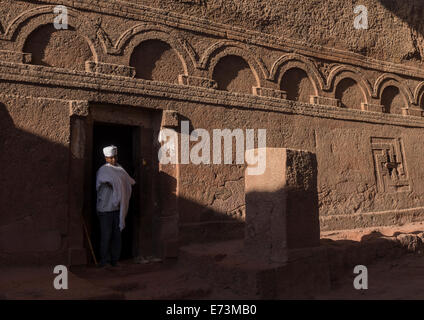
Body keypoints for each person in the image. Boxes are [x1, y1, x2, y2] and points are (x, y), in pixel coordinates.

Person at [96, 145, 135, 268]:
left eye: (115, 157)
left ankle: (115, 260)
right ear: (106, 158)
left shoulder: (120, 169)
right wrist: (117, 183)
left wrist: (120, 184)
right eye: (110, 158)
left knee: (117, 236)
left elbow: (129, 181)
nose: (113, 160)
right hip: (105, 209)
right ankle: (105, 261)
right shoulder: (103, 170)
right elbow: (108, 181)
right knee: (106, 236)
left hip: (117, 209)